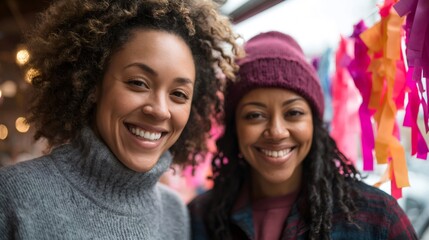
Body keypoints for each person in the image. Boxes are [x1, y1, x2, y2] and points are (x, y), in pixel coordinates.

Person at [0, 0, 241, 239]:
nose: (159, 110)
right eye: (138, 83)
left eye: (179, 94)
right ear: (93, 84)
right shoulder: (12, 196)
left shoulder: (175, 214)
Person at [188, 31, 418, 240]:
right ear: (235, 126)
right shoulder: (200, 217)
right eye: (255, 115)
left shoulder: (377, 217)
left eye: (294, 112)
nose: (277, 132)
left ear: (314, 124)